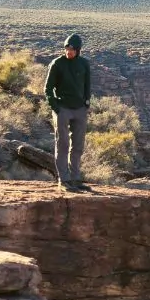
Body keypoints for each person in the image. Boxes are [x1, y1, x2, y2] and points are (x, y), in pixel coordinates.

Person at [44, 33, 92, 191]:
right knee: (62, 144)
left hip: (79, 109)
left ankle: (76, 178)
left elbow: (87, 85)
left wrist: (86, 102)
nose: (68, 51)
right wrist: (55, 107)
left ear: (78, 50)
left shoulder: (84, 64)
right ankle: (64, 180)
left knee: (78, 145)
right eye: (66, 48)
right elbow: (48, 88)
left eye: (71, 49)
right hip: (63, 109)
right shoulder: (57, 64)